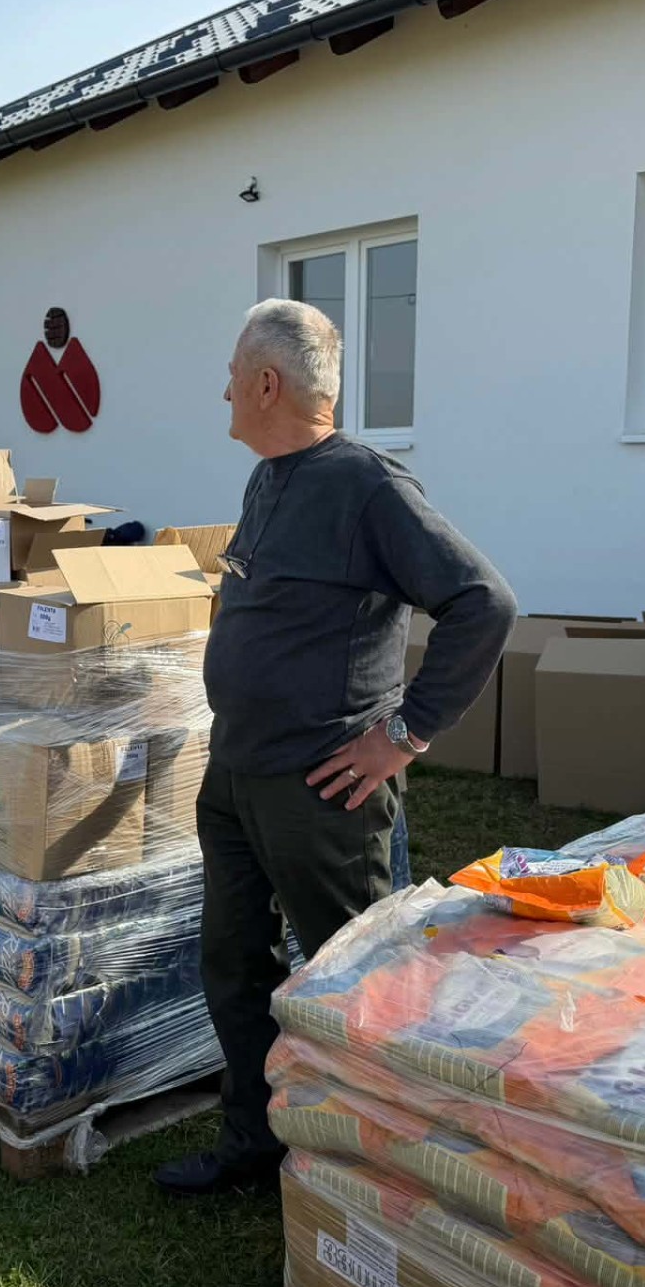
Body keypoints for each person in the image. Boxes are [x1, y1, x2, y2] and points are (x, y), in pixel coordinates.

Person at [154, 300, 517, 1198]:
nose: (223, 391)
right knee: (236, 966)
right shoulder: (267, 479)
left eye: (232, 375)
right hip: (237, 776)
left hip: (323, 794)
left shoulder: (367, 487)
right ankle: (258, 1144)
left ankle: (373, 1178)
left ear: (266, 384)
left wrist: (404, 734)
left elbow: (483, 603)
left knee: (359, 986)